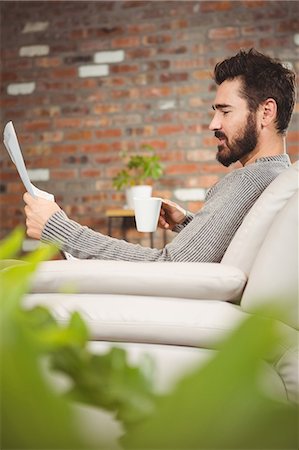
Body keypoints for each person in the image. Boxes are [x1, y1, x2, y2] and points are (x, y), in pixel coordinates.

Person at [23, 49, 296, 263]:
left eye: (225, 111)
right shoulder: (274, 175)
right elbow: (232, 244)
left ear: (266, 112)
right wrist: (188, 224)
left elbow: (171, 265)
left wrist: (59, 229)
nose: (213, 124)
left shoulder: (248, 181)